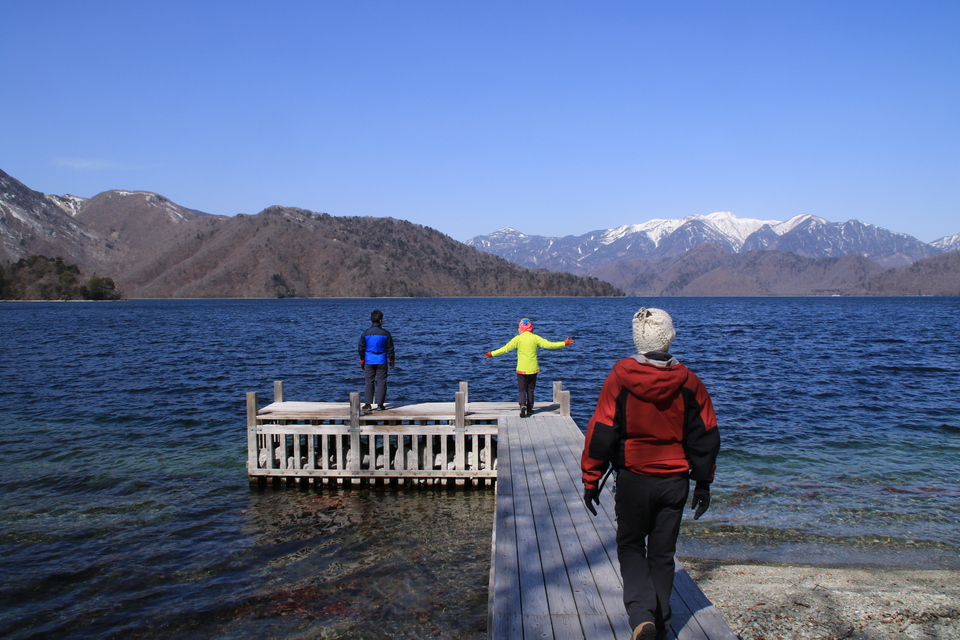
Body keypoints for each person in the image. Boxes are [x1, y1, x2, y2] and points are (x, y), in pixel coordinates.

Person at [580, 308, 720, 640]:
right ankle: (662, 619)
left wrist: (590, 480)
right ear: (669, 337)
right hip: (674, 481)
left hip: (633, 477)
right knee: (662, 553)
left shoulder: (620, 378)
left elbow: (601, 433)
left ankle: (643, 616)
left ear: (637, 339)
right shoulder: (690, 382)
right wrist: (703, 483)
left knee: (630, 546)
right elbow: (706, 436)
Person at [485, 317, 573, 417]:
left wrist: (492, 354)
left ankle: (522, 405)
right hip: (533, 369)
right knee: (530, 389)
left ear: (520, 328)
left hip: (521, 369)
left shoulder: (518, 339)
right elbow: (549, 345)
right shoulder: (535, 338)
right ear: (531, 328)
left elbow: (505, 349)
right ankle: (530, 408)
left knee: (522, 389)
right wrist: (564, 343)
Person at [358, 309, 395, 411]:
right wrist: (392, 360)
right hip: (382, 360)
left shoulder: (365, 333)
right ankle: (380, 405)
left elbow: (361, 348)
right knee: (382, 382)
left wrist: (362, 360)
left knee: (369, 381)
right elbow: (390, 349)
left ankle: (368, 404)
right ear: (380, 320)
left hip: (369, 360)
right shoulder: (386, 333)